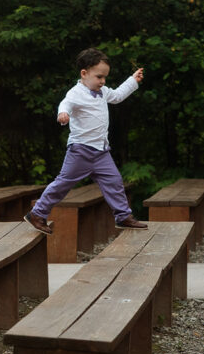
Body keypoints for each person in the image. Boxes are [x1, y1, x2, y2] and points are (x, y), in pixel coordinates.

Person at [24, 47, 147, 234]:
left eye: (105, 77)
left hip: (101, 152)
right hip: (80, 151)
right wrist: (63, 113)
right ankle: (37, 214)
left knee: (114, 181)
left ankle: (123, 217)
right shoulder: (76, 93)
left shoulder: (104, 92)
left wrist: (132, 80)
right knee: (63, 183)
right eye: (99, 77)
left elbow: (118, 96)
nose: (103, 81)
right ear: (84, 73)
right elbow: (65, 103)